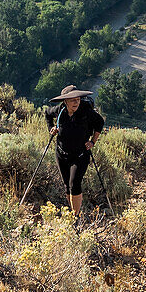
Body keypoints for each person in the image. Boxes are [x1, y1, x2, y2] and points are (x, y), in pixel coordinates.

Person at [44, 84, 104, 217]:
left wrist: (93, 141)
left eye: (78, 99)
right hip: (61, 154)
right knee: (67, 185)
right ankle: (72, 214)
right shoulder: (59, 110)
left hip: (80, 155)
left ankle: (75, 217)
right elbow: (47, 113)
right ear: (65, 101)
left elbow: (100, 122)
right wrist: (51, 128)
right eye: (72, 100)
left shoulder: (86, 111)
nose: (76, 102)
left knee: (74, 183)